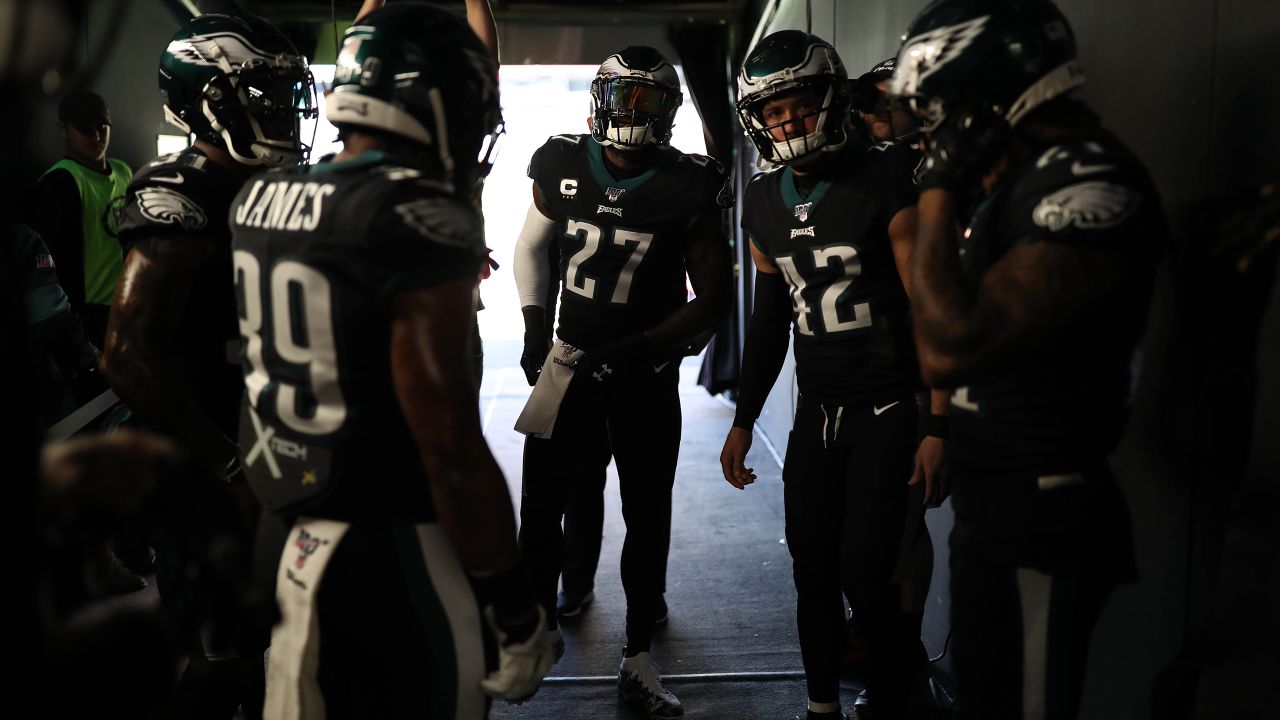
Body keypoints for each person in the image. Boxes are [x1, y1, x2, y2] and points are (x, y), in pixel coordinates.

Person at [231, 3, 553, 717]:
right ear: (434, 100)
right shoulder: (415, 217)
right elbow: (449, 451)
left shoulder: (261, 195)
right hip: (389, 547)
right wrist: (514, 604)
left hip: (284, 526)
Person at [886, 0, 1168, 717]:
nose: (931, 121)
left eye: (940, 101)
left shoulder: (1087, 176)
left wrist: (939, 184)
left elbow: (947, 349)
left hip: (1043, 503)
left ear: (983, 93)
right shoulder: (1022, 179)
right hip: (994, 497)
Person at [721, 30, 947, 720]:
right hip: (816, 412)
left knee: (867, 574)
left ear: (828, 96)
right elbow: (767, 323)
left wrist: (938, 422)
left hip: (887, 407)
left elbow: (929, 308)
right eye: (773, 111)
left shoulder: (886, 174)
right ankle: (821, 707)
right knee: (811, 571)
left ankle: (892, 699)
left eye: (797, 105)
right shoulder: (760, 199)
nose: (786, 122)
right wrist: (742, 416)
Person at [101, 12, 318, 719]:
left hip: (272, 448)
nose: (284, 111)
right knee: (221, 661)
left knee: (286, 655)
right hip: (211, 462)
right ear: (211, 100)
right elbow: (127, 355)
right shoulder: (180, 195)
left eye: (289, 96)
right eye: (265, 96)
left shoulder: (272, 188)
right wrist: (227, 466)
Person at [512, 44, 733, 719]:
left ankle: (637, 653)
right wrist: (531, 328)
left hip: (643, 372)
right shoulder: (560, 160)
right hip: (570, 360)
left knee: (646, 510)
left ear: (668, 112)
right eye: (624, 98)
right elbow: (530, 246)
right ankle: (534, 630)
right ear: (599, 102)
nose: (633, 114)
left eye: (649, 101)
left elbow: (713, 297)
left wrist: (641, 348)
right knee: (541, 508)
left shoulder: (687, 183)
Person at [30, 88, 132, 349]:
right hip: (90, 312)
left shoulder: (123, 171)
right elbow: (55, 266)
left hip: (127, 302)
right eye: (87, 130)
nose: (97, 137)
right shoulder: (60, 182)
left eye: (102, 127)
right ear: (63, 129)